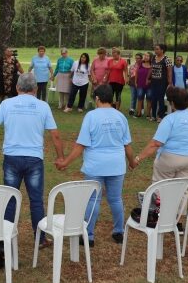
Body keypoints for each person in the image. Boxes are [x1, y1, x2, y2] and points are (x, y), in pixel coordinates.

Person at [0, 73, 64, 249]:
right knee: (36, 200)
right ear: (36, 89)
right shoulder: (43, 106)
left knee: (10, 199)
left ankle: (6, 238)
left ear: (17, 88)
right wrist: (60, 157)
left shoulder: (6, 104)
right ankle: (40, 239)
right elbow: (55, 134)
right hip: (34, 159)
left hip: (12, 159)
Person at [56, 85, 135, 247]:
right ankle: (119, 232)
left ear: (97, 98)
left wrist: (65, 162)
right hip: (116, 165)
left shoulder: (91, 116)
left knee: (93, 199)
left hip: (95, 165)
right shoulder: (121, 117)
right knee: (115, 199)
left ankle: (89, 235)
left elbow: (81, 145)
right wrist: (132, 161)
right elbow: (127, 145)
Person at [134, 87, 188, 219]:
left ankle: (158, 217)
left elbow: (156, 143)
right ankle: (177, 221)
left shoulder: (169, 119)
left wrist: (138, 158)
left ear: (172, 103)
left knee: (160, 186)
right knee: (182, 190)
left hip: (170, 158)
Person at [150, 44, 173, 122]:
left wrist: (170, 82)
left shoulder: (167, 59)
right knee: (153, 98)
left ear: (162, 50)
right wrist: (148, 78)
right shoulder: (153, 57)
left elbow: (169, 71)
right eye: (155, 49)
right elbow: (151, 68)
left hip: (162, 82)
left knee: (160, 99)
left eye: (157, 49)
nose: (155, 51)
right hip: (153, 81)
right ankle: (153, 115)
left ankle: (160, 116)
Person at [135, 52, 152, 119]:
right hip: (140, 84)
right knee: (139, 98)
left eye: (147, 56)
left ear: (150, 57)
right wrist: (136, 82)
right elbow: (136, 73)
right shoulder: (140, 64)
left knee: (149, 99)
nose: (146, 57)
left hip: (149, 85)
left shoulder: (152, 65)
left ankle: (148, 114)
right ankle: (139, 113)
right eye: (145, 55)